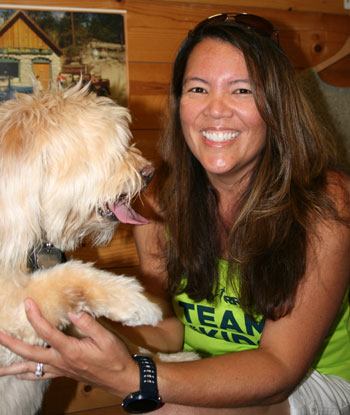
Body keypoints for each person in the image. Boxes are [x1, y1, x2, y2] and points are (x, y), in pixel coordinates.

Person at [0, 13, 349, 415]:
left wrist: (136, 376)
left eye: (242, 90)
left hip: (309, 381)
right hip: (202, 369)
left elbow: (279, 368)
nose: (216, 110)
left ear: (276, 105)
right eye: (198, 88)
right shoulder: (160, 200)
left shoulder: (328, 200)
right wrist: (82, 341)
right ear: (180, 103)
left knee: (161, 405)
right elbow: (168, 330)